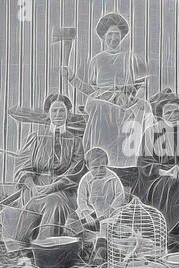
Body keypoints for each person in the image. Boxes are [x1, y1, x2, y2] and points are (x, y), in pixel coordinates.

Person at [61, 13, 153, 170]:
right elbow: (91, 90)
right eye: (109, 34)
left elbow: (142, 86)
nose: (113, 38)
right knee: (100, 107)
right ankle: (100, 160)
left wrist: (134, 99)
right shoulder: (96, 60)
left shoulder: (131, 58)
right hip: (103, 102)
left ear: (122, 36)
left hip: (126, 101)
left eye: (116, 34)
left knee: (144, 108)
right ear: (103, 37)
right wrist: (72, 78)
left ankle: (132, 162)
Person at [0, 94, 85, 244]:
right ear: (47, 113)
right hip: (36, 185)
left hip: (62, 188)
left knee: (54, 202)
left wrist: (53, 187)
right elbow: (24, 166)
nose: (58, 115)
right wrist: (33, 187)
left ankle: (45, 245)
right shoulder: (36, 137)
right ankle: (20, 240)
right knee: (36, 201)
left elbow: (75, 172)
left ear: (68, 113)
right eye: (54, 111)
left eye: (62, 111)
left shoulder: (75, 141)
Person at [133, 89, 179, 251]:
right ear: (161, 115)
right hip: (155, 180)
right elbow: (144, 164)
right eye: (168, 112)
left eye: (176, 111)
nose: (173, 115)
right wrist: (166, 171)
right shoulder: (151, 133)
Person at [76, 147, 126, 235]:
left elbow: (120, 195)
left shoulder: (113, 177)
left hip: (110, 212)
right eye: (95, 168)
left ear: (107, 164)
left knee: (109, 227)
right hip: (91, 212)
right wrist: (86, 214)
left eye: (102, 167)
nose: (99, 171)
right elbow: (81, 199)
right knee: (79, 225)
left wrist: (112, 209)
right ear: (88, 166)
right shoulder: (86, 179)